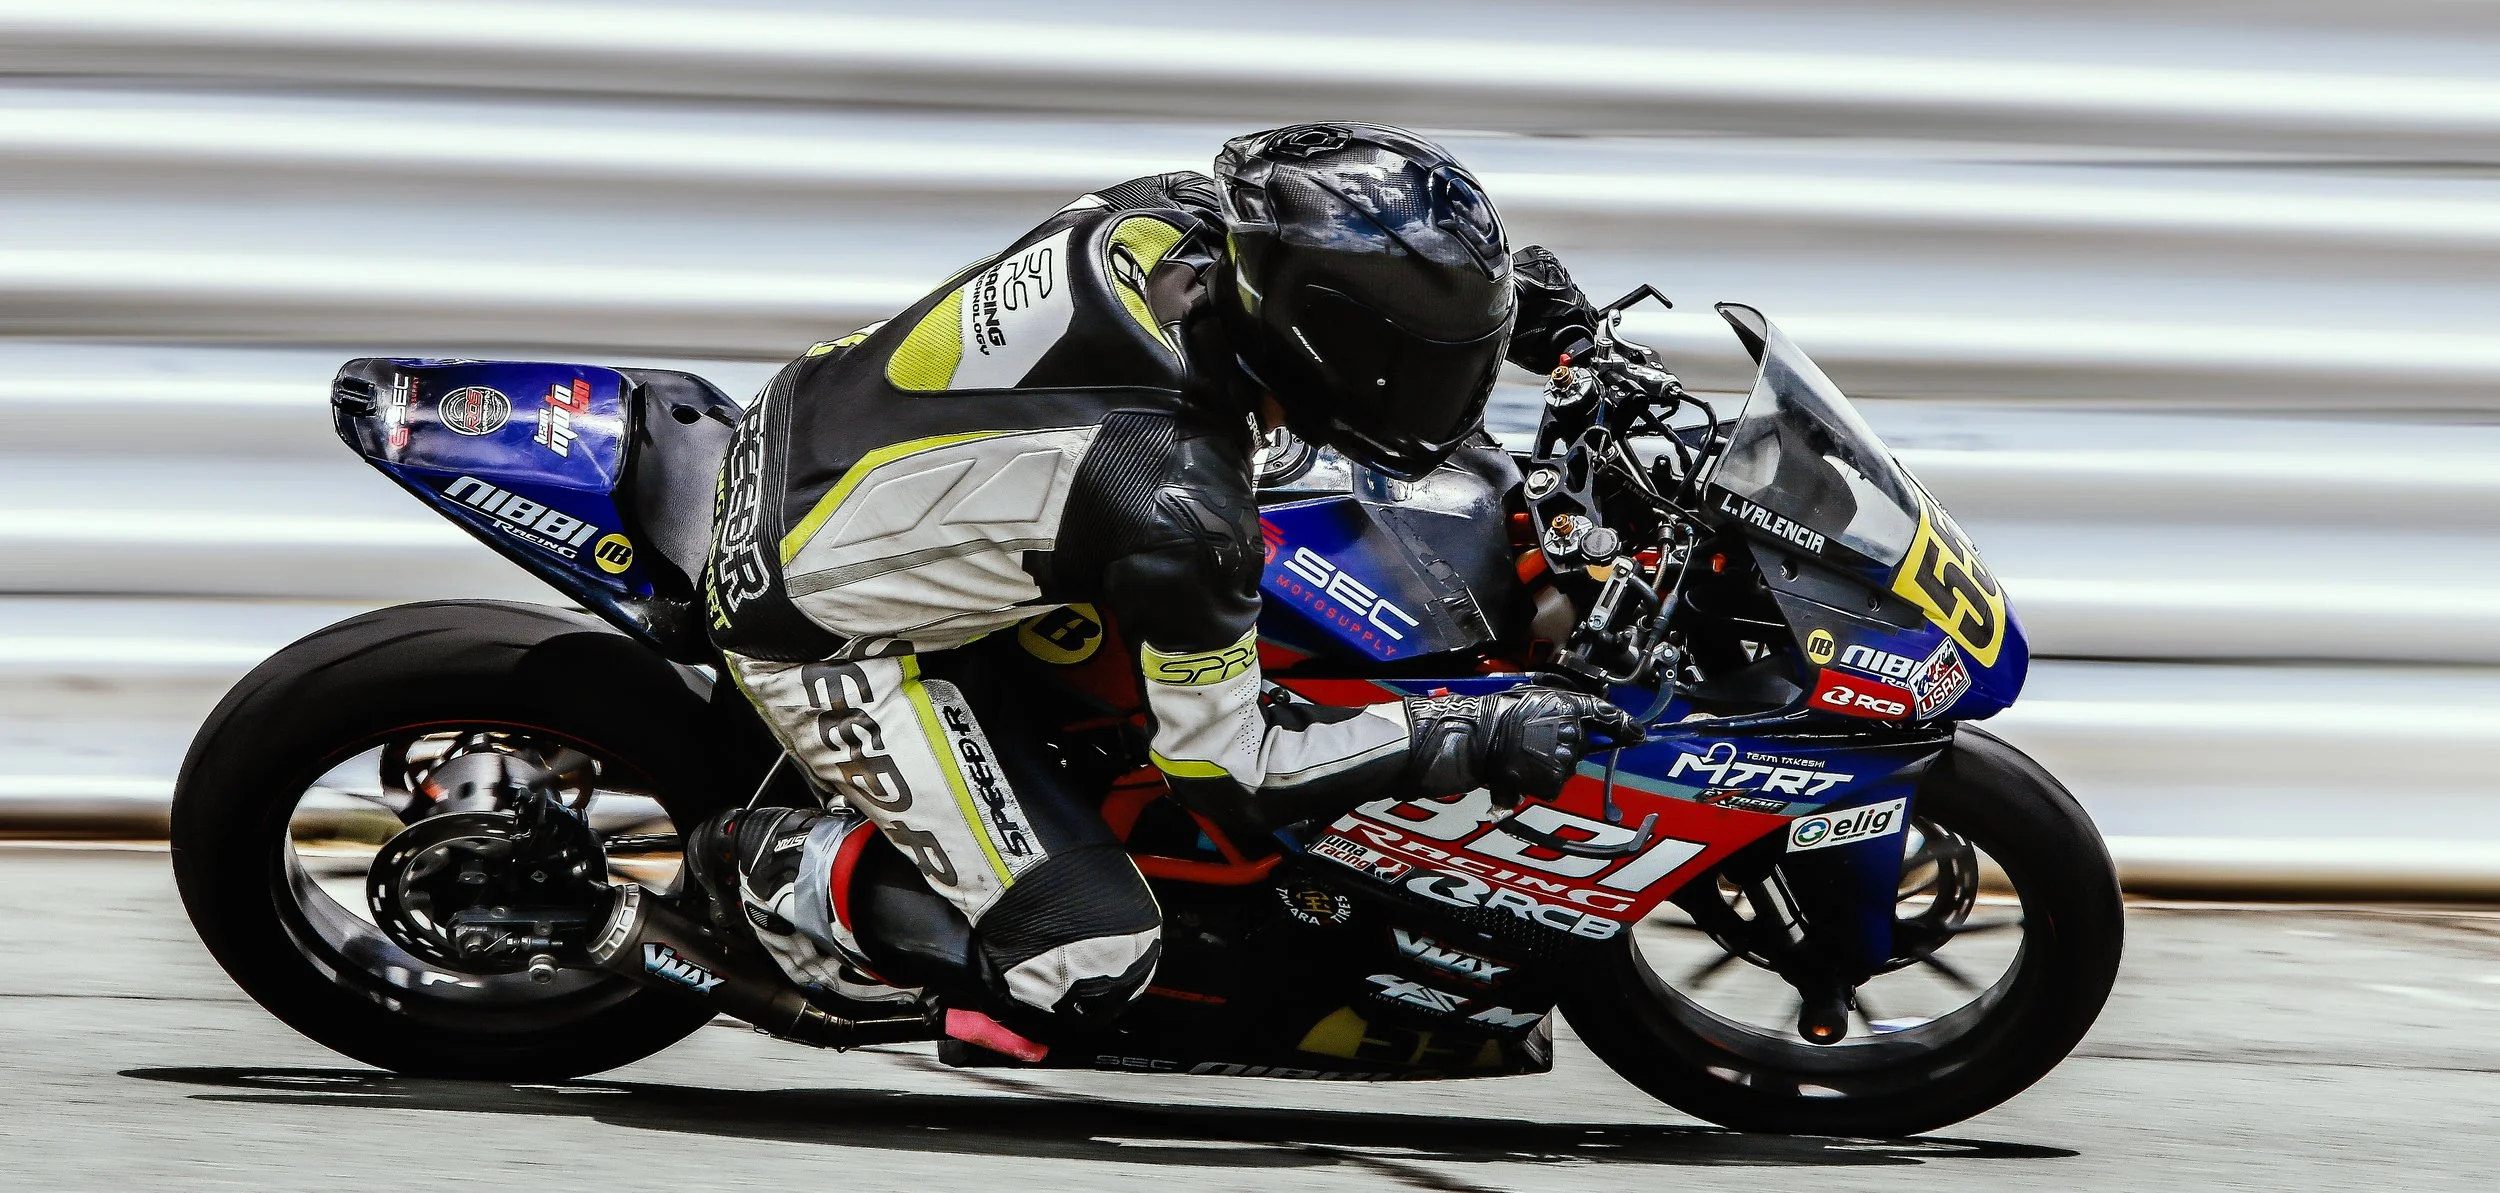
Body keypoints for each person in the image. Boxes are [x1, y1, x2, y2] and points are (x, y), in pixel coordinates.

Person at [689, 122, 1639, 1040]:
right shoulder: (1180, 501)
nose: (1451, 389)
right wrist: (1465, 727)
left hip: (811, 416)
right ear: (1329, 348)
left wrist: (1557, 330)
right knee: (1086, 959)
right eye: (1428, 367)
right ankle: (759, 863)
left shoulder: (1181, 216)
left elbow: (1372, 267)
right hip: (821, 625)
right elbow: (1227, 766)